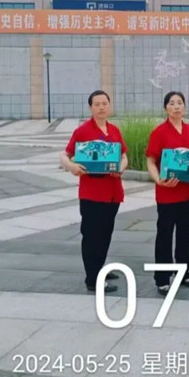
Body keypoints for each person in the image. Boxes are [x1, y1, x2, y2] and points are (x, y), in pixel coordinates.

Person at [60, 90, 129, 294]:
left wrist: (121, 167)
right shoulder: (82, 131)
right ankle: (93, 279)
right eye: (97, 104)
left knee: (105, 233)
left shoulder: (114, 130)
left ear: (109, 106)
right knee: (92, 235)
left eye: (104, 103)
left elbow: (124, 156)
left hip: (112, 191)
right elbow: (64, 155)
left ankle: (99, 268)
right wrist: (72, 167)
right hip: (92, 193)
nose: (101, 107)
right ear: (90, 107)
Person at [146, 91, 189, 294]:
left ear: (184, 107)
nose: (176, 107)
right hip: (168, 193)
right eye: (172, 103)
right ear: (166, 108)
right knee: (165, 234)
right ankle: (162, 277)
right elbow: (151, 161)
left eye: (180, 103)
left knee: (185, 234)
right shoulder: (159, 132)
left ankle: (183, 273)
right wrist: (158, 179)